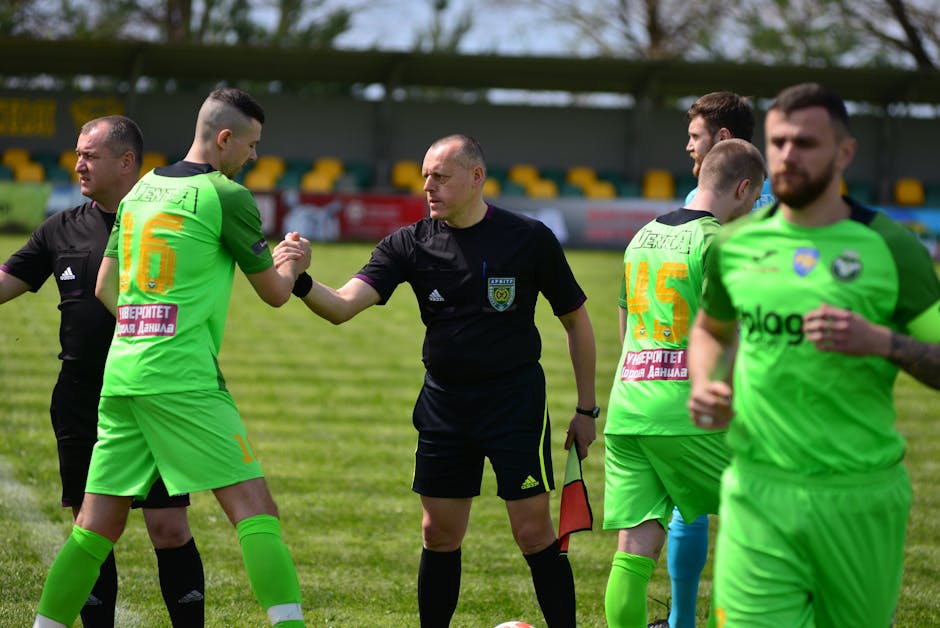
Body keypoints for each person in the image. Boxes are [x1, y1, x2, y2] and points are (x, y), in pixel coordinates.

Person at [277, 133, 597, 627]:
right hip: (445, 406)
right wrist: (299, 280)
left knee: (533, 533)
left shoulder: (528, 238)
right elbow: (342, 307)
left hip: (515, 405)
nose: (428, 186)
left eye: (440, 176)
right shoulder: (409, 244)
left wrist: (585, 409)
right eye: (425, 176)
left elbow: (576, 320)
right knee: (439, 535)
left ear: (476, 178)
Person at [32, 88, 312, 628]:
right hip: (182, 375)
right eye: (250, 145)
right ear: (224, 138)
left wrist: (144, 325)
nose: (253, 157)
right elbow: (275, 293)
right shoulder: (225, 195)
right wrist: (293, 261)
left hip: (123, 372)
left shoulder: (142, 191)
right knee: (256, 512)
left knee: (95, 528)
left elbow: (105, 287)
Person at [687, 82, 940, 627]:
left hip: (860, 497)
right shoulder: (736, 244)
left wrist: (883, 343)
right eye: (777, 142)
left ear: (844, 153)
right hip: (758, 488)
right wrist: (705, 380)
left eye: (804, 143)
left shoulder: (892, 247)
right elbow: (710, 328)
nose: (786, 156)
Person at [1, 115, 205, 627]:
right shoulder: (60, 228)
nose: (78, 164)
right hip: (80, 396)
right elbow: (8, 280)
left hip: (151, 392)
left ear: (126, 162)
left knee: (169, 527)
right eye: (78, 153)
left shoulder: (168, 224)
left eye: (90, 155)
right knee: (92, 531)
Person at [602, 139, 767, 628]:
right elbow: (731, 334)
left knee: (633, 550)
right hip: (689, 410)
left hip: (629, 405)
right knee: (763, 522)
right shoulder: (720, 243)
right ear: (743, 189)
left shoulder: (641, 236)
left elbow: (626, 322)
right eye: (756, 198)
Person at [662, 91, 775, 628]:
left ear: (722, 140)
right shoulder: (706, 196)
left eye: (694, 137)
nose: (687, 147)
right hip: (708, 369)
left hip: (750, 376)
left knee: (745, 509)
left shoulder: (759, 204)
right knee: (697, 505)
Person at [685, 91, 776, 210]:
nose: (689, 147)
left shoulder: (697, 200)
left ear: (722, 137)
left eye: (695, 136)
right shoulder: (782, 194)